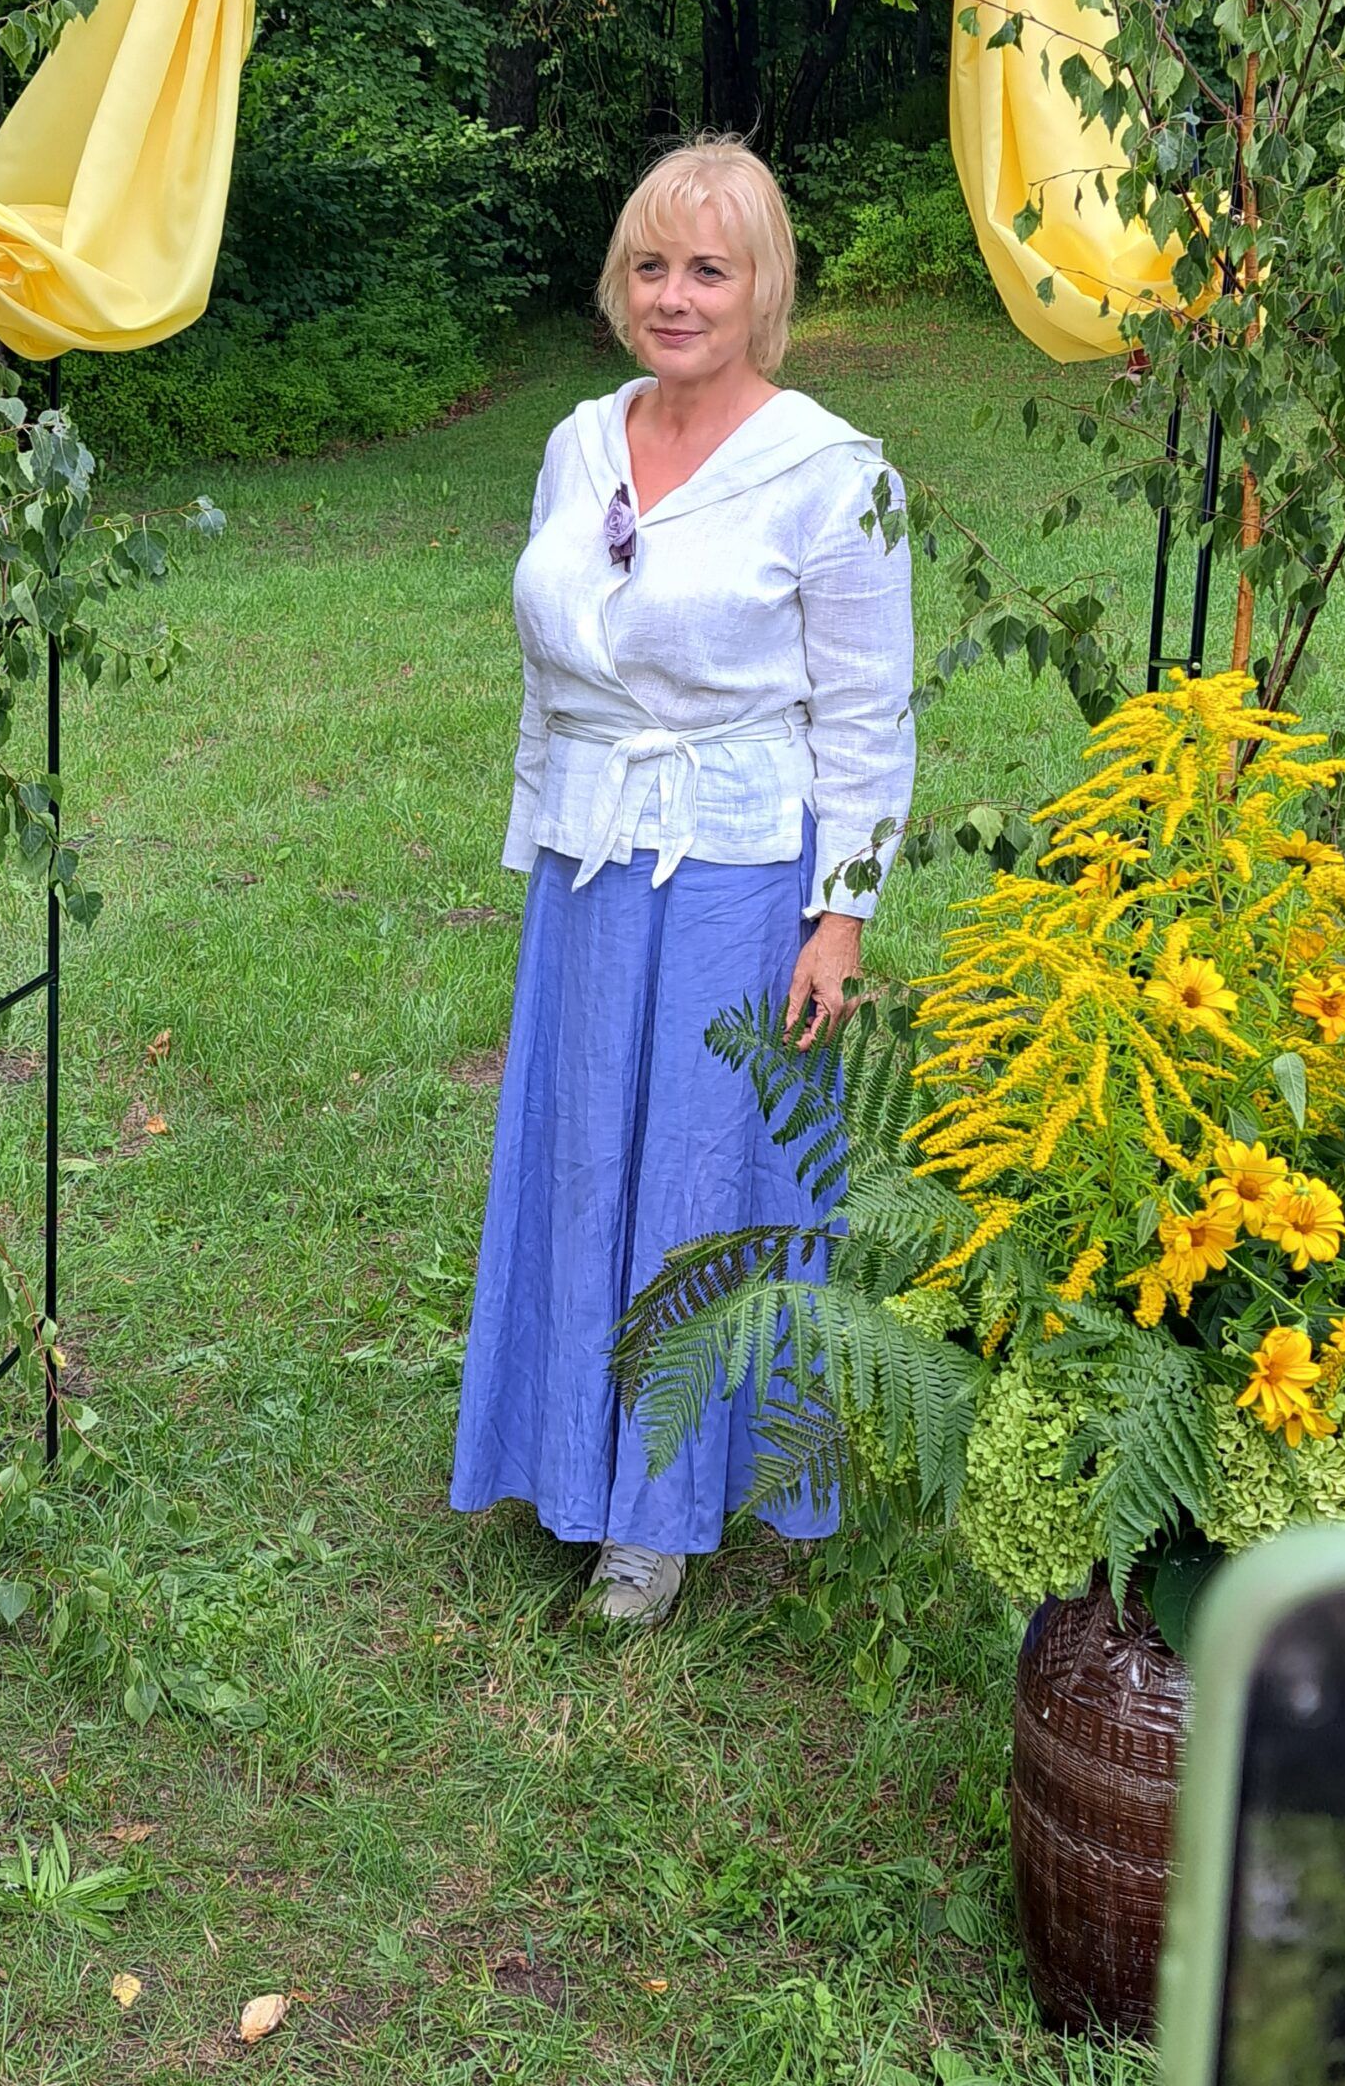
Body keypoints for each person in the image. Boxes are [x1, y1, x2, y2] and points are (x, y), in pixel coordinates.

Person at [449, 133, 916, 1624]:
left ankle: (660, 1512)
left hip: (738, 871)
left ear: (762, 287)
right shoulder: (580, 442)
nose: (675, 295)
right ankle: (565, 1452)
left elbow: (867, 714)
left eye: (709, 269)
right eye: (650, 265)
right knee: (586, 1153)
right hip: (593, 865)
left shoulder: (832, 475)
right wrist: (537, 841)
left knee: (703, 1178)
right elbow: (548, 681)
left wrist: (841, 915)